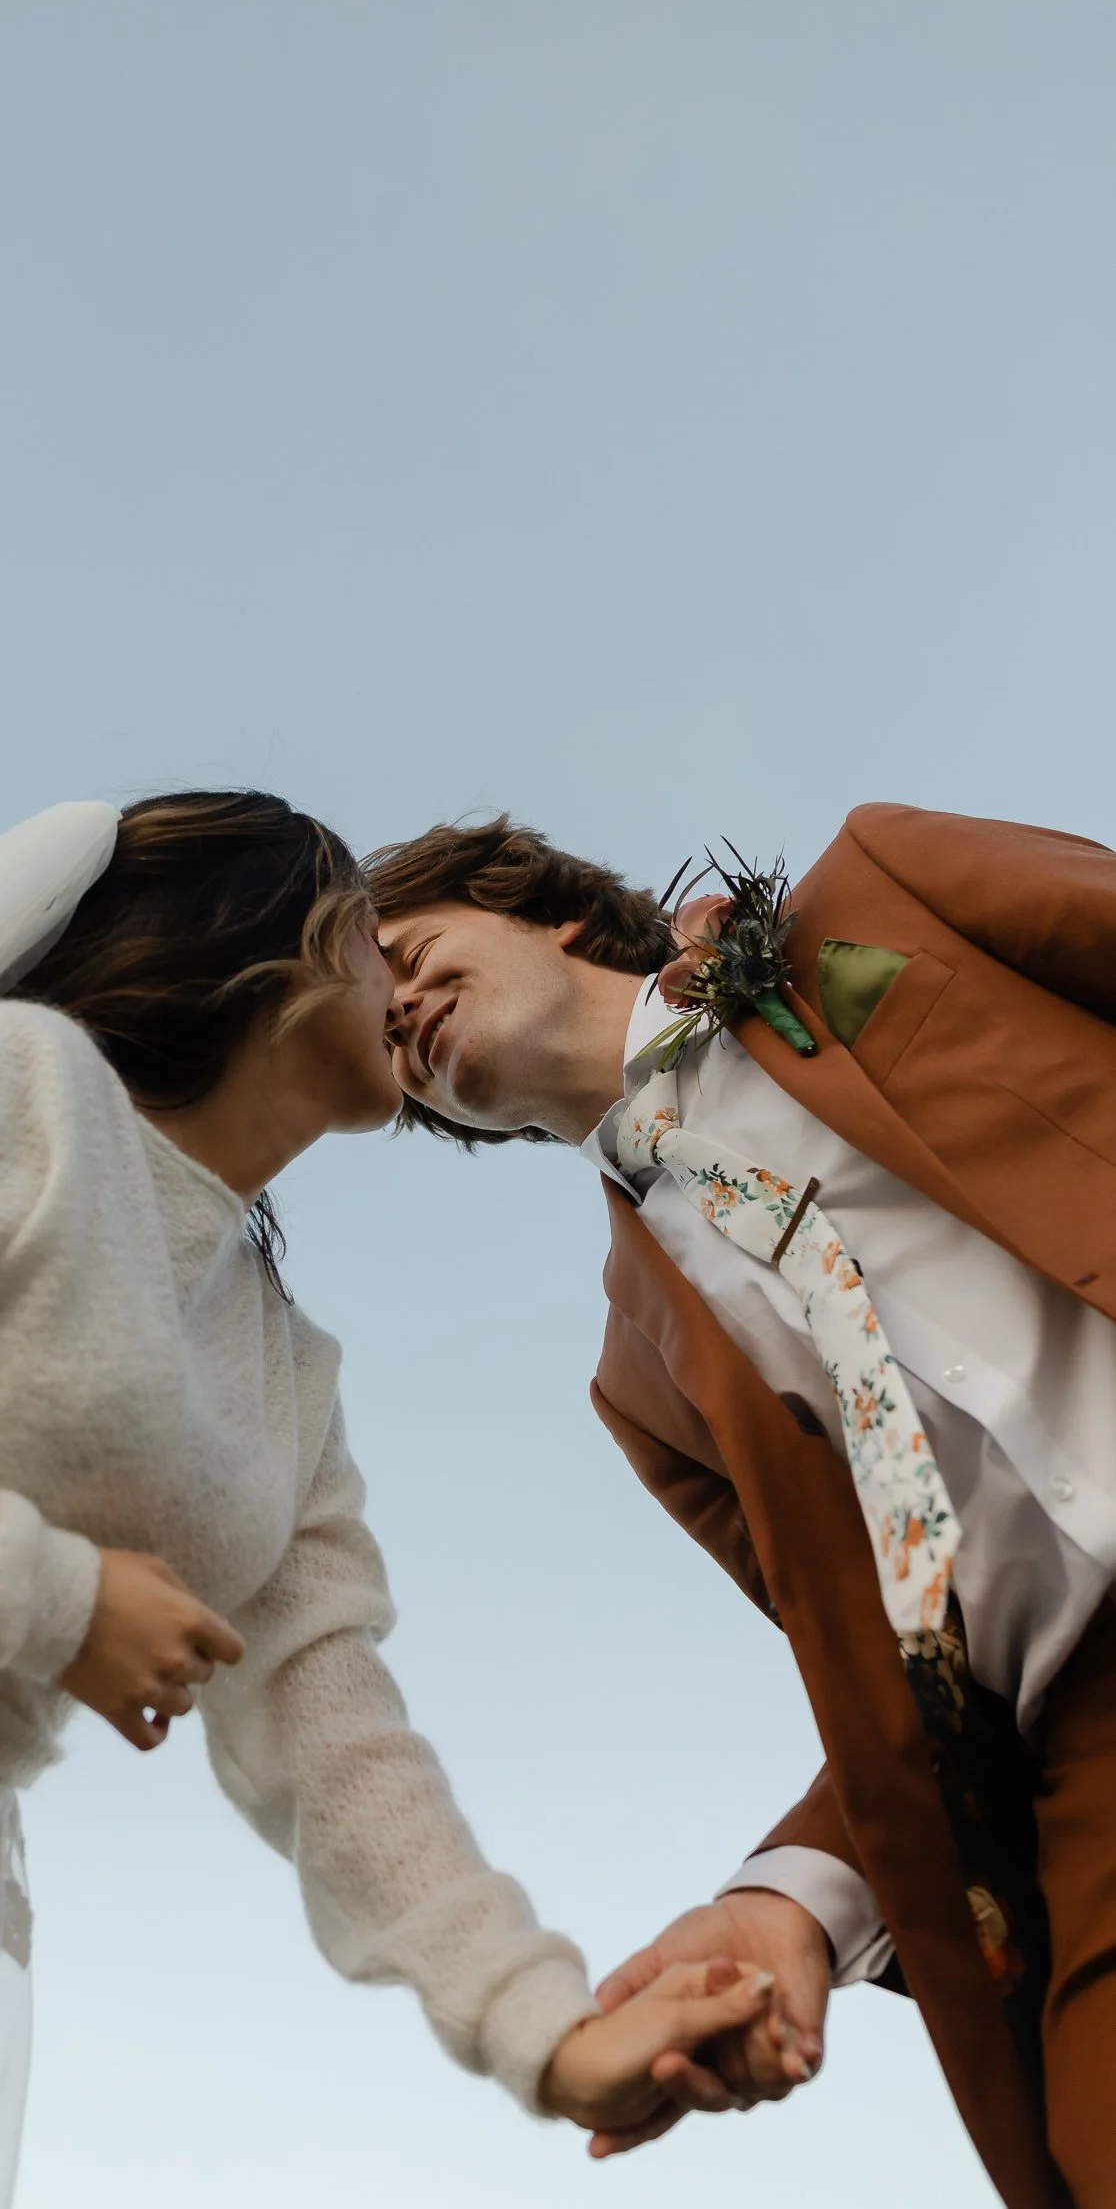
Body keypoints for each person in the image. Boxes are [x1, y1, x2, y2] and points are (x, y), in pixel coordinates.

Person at [0, 789, 774, 2209]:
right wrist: (50, 1595)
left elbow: (333, 1732)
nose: (396, 973)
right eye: (370, 932)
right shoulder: (11, 1087)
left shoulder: (287, 1364)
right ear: (269, 942)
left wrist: (555, 2027)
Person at [368, 801, 1116, 2209]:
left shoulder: (881, 890)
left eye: (400, 949)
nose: (389, 1010)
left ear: (546, 908)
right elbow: (894, 1689)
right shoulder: (638, 1386)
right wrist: (792, 1900)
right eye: (368, 1030)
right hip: (1090, 1750)